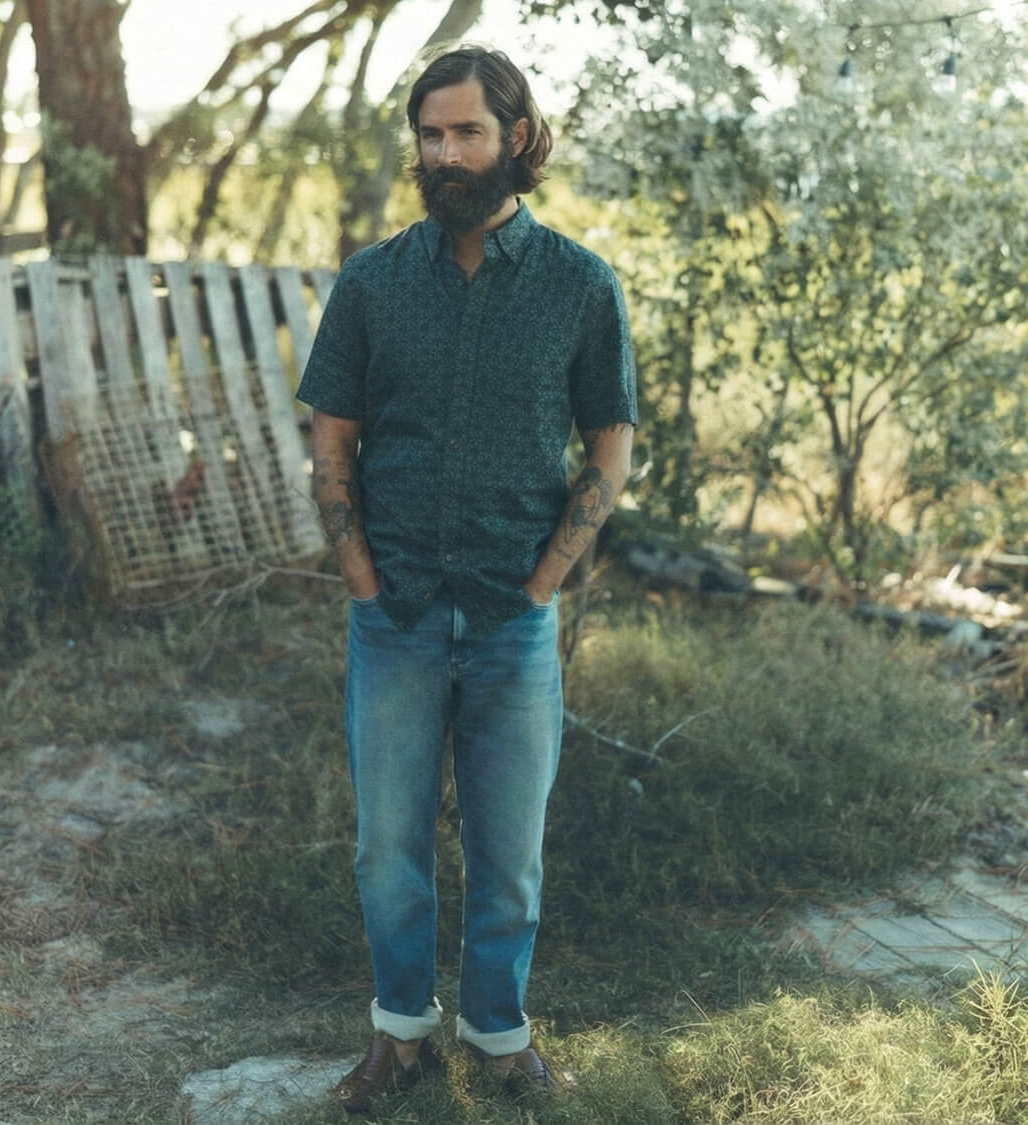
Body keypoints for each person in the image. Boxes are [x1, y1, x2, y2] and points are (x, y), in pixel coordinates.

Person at [294, 43, 637, 1114]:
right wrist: (359, 576)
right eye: (430, 136)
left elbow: (610, 453)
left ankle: (498, 1032)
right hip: (392, 615)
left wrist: (541, 587)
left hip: (509, 620)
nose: (445, 155)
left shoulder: (582, 287)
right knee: (388, 847)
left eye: (467, 133)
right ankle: (400, 1034)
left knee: (509, 854)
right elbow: (331, 442)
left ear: (518, 139)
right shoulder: (371, 281)